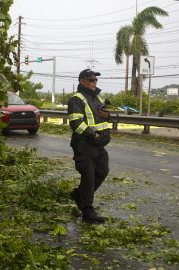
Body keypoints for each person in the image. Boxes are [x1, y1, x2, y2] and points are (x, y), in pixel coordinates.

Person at [67, 69, 111, 224]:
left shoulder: (96, 98)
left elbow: (99, 119)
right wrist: (94, 135)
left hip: (99, 144)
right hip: (85, 144)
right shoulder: (76, 99)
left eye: (96, 80)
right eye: (91, 80)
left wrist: (108, 116)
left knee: (103, 170)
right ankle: (87, 210)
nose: (95, 82)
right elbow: (76, 123)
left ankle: (80, 195)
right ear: (82, 81)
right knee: (89, 176)